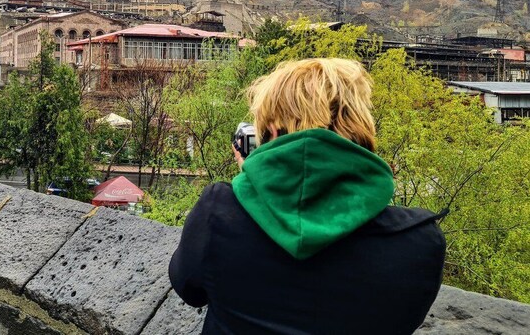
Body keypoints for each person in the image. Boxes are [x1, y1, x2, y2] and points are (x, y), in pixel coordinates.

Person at [169, 58, 446, 334]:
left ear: (274, 133)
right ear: (362, 132)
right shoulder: (420, 241)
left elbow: (189, 288)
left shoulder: (218, 213)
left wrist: (254, 180)